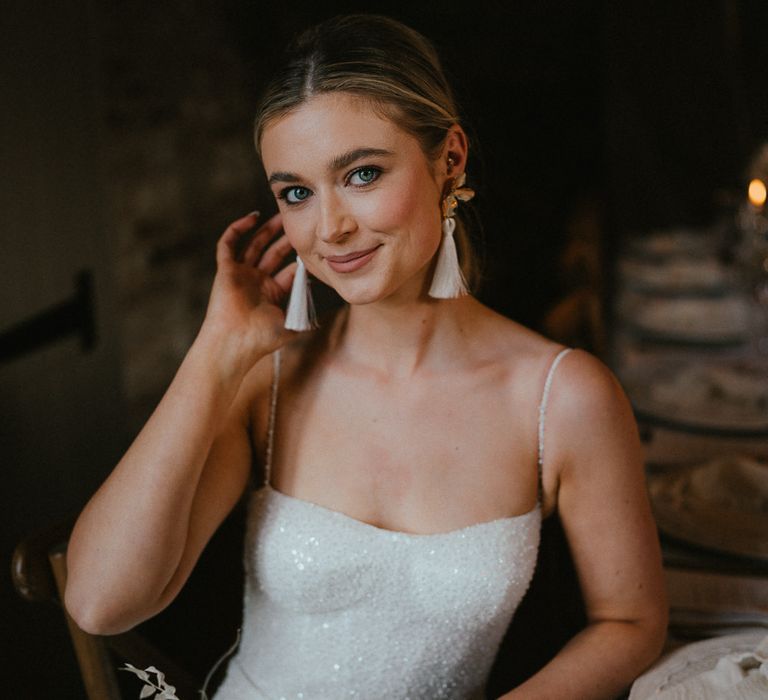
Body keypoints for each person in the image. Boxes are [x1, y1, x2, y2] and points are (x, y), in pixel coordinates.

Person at [64, 14, 668, 699]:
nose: (330, 227)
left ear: (451, 159)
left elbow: (629, 620)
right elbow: (99, 605)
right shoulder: (268, 382)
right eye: (296, 192)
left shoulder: (562, 398)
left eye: (362, 174)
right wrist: (214, 354)